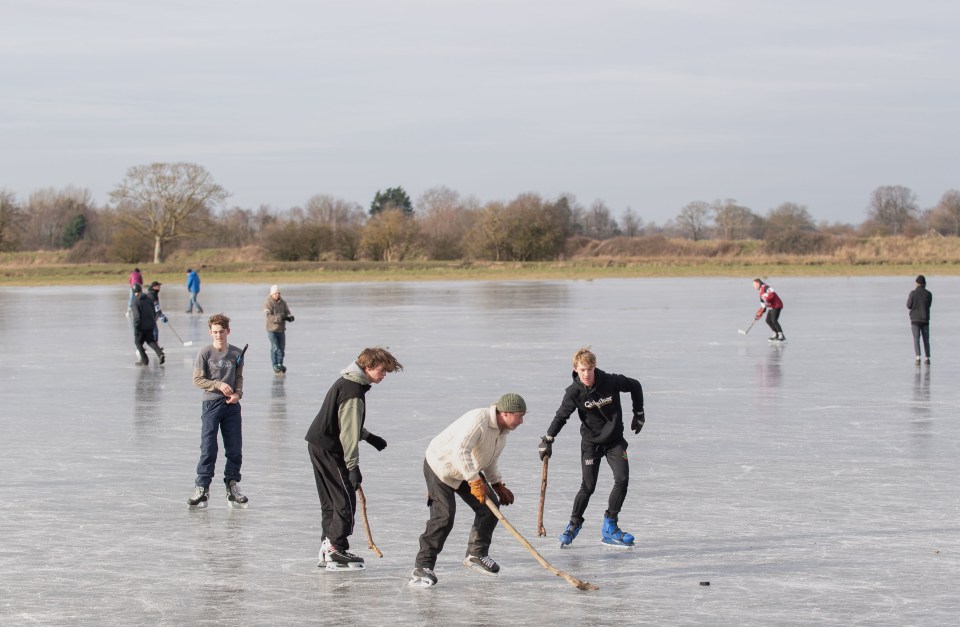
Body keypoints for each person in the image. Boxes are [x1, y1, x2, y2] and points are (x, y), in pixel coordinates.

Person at [409, 393, 526, 588]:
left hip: (465, 470)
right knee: (444, 516)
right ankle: (422, 567)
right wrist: (475, 481)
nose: (521, 421)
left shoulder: (502, 433)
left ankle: (476, 553)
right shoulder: (478, 419)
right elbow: (460, 451)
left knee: (490, 508)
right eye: (519, 416)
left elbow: (489, 460)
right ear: (505, 413)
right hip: (441, 466)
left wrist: (497, 484)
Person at [305, 348, 403, 570]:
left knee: (331, 500)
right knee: (344, 498)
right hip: (330, 448)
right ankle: (336, 548)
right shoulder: (353, 391)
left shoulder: (348, 383)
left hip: (318, 444)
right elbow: (347, 432)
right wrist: (353, 467)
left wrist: (368, 437)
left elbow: (345, 422)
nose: (384, 374)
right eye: (382, 370)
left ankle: (328, 547)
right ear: (367, 367)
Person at [538, 348, 644, 548]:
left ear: (595, 367)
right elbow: (561, 416)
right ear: (575, 369)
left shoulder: (610, 381)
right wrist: (548, 439)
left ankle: (610, 526)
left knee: (622, 479)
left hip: (614, 441)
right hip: (591, 444)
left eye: (590, 369)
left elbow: (635, 386)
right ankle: (574, 524)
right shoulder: (574, 392)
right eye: (582, 370)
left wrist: (638, 413)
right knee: (588, 486)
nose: (586, 374)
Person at [187, 314, 249, 509]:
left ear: (228, 331)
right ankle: (202, 488)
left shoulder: (237, 353)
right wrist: (218, 384)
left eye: (222, 332)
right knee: (208, 447)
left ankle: (232, 486)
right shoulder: (205, 353)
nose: (218, 335)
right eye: (215, 332)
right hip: (211, 405)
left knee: (234, 448)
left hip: (231, 406)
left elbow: (239, 378)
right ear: (210, 332)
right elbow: (197, 380)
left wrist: (238, 394)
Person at [131, 283, 164, 366]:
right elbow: (153, 311)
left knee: (138, 342)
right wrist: (152, 321)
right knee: (151, 341)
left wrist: (136, 328)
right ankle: (160, 354)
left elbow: (137, 317)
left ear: (133, 291)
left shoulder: (135, 301)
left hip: (141, 326)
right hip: (150, 324)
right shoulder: (148, 298)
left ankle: (144, 360)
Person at [263, 285, 294, 373]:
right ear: (272, 294)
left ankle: (280, 364)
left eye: (278, 293)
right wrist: (280, 318)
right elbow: (269, 317)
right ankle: (275, 365)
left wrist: (289, 317)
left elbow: (287, 312)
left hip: (281, 329)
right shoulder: (268, 303)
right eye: (275, 293)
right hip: (271, 330)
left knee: (282, 348)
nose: (277, 295)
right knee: (275, 348)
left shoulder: (282, 302)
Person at [907, 274, 932, 365]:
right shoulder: (929, 294)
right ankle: (927, 358)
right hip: (925, 320)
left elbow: (908, 306)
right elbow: (929, 305)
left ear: (917, 283)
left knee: (916, 339)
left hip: (915, 320)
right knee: (926, 339)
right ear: (924, 284)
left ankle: (918, 358)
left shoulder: (913, 293)